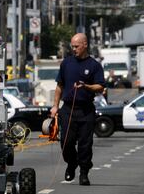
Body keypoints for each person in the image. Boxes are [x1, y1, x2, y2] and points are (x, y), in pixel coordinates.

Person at [50, 33, 105, 186]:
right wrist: (55, 106)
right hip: (67, 109)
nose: (73, 49)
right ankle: (72, 163)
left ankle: (84, 172)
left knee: (85, 144)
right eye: (72, 46)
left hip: (86, 110)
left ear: (85, 45)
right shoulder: (66, 63)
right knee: (66, 142)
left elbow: (100, 86)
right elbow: (59, 86)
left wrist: (86, 86)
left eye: (76, 46)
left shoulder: (94, 65)